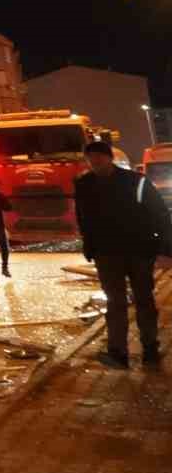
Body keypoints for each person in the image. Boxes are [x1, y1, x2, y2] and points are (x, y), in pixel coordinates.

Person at [74, 140, 172, 369]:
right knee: (115, 303)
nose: (95, 162)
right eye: (91, 159)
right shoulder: (84, 185)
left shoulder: (135, 182)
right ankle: (118, 353)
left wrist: (166, 249)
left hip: (139, 251)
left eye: (99, 157)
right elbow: (83, 218)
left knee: (144, 301)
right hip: (106, 254)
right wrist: (89, 247)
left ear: (110, 158)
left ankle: (150, 350)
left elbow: (160, 214)